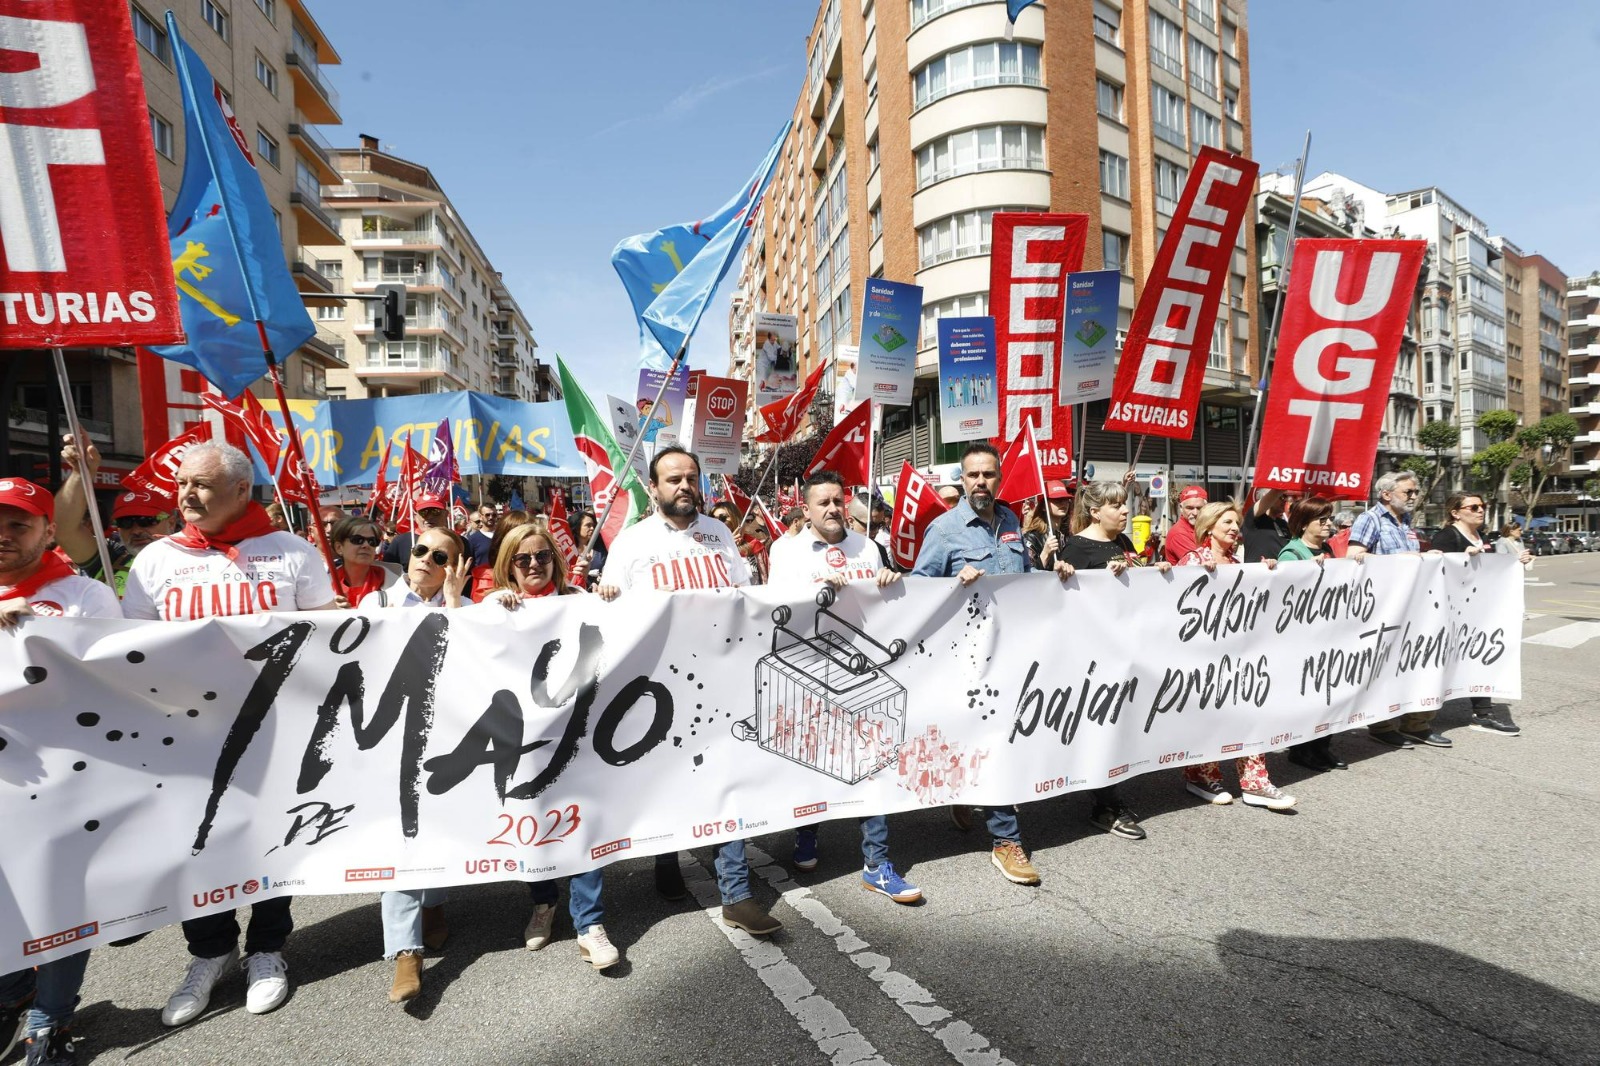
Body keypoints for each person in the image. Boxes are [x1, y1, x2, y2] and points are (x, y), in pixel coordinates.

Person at [121, 442, 337, 1026]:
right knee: (197, 844)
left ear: (242, 491)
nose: (186, 495)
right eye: (182, 484)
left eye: (201, 485)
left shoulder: (293, 554)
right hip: (186, 736)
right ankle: (210, 953)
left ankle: (267, 949)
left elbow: (333, 642)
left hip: (276, 733)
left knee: (269, 838)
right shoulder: (156, 560)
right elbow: (129, 651)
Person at [596, 446, 782, 935]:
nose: (684, 486)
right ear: (652, 488)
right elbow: (609, 607)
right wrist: (608, 597)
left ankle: (737, 895)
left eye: (691, 478)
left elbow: (745, 596)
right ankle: (665, 859)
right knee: (664, 779)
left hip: (719, 681)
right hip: (657, 687)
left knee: (726, 782)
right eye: (673, 479)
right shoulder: (632, 543)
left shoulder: (719, 533)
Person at [913, 442, 1075, 886]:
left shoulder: (1010, 520)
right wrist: (954, 584)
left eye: (988, 474)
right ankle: (1006, 841)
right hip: (966, 657)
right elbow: (916, 591)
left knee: (1000, 739)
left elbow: (1020, 579)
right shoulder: (944, 530)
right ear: (961, 480)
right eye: (972, 476)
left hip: (1011, 653)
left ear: (998, 477)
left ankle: (968, 793)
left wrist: (1053, 575)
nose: (980, 482)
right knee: (992, 740)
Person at [0, 479, 123, 1065]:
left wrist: (39, 637)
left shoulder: (84, 597)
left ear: (50, 530)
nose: (3, 536)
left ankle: (49, 1020)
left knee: (61, 900)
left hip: (61, 782)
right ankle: (11, 991)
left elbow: (116, 681)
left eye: (17, 524)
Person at [767, 471, 918, 904]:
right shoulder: (787, 551)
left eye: (838, 500)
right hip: (809, 671)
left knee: (872, 763)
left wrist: (888, 581)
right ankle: (807, 834)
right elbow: (775, 608)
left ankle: (877, 864)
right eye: (823, 503)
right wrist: (812, 590)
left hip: (862, 670)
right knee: (813, 758)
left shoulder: (868, 547)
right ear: (806, 509)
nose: (833, 508)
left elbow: (882, 604)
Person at [478, 525, 619, 968]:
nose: (534, 565)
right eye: (523, 560)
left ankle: (589, 923)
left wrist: (611, 597)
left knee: (581, 824)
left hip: (576, 732)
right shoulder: (496, 608)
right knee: (533, 822)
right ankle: (543, 902)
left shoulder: (578, 597)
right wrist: (489, 607)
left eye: (542, 556)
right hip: (522, 739)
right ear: (508, 567)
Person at [358, 526, 471, 1002]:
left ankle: (436, 905)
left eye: (440, 555)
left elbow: (470, 663)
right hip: (387, 742)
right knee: (399, 838)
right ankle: (406, 951)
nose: (426, 559)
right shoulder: (375, 606)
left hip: (444, 738)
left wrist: (451, 604)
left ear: (455, 567)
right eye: (420, 549)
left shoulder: (464, 613)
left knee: (438, 826)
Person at [1056, 480, 1171, 840]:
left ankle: (1105, 790)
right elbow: (1065, 602)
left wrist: (1157, 572)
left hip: (1124, 650)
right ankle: (1105, 805)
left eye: (1125, 505)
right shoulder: (1075, 547)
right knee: (1101, 725)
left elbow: (1133, 590)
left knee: (1119, 724)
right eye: (1117, 505)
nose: (1125, 511)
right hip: (1093, 655)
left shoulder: (1122, 542)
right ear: (1095, 511)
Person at [1177, 499, 1296, 810]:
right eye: (1226, 522)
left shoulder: (1240, 564)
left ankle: (1255, 780)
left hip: (1241, 659)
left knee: (1252, 711)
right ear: (1209, 527)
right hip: (1203, 660)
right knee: (1209, 719)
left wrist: (1267, 573)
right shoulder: (1191, 562)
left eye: (1235, 523)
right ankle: (1202, 774)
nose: (1233, 528)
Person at [1347, 471, 1448, 749]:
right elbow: (1353, 556)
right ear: (1386, 494)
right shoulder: (1370, 519)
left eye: (1415, 492)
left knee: (1417, 662)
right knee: (1385, 667)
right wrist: (1397, 559)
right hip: (1384, 608)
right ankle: (1382, 725)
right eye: (1408, 492)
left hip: (1413, 605)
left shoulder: (1405, 521)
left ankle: (1417, 724)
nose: (1414, 496)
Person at [1433, 494, 1527, 736]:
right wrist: (1461, 557)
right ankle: (1417, 714)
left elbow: (1487, 570)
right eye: (1473, 507)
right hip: (1451, 612)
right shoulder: (1446, 536)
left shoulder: (1479, 536)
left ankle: (1483, 713)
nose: (1480, 510)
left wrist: (1516, 562)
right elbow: (1434, 569)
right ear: (1456, 512)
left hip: (1475, 609)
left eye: (1482, 506)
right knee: (1443, 662)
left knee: (1480, 656)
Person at [1277, 497, 1346, 773]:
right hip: (1304, 640)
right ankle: (1302, 750)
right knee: (1309, 695)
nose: (1328, 524)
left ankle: (1322, 747)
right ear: (1304, 523)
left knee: (1328, 694)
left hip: (1328, 635)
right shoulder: (1291, 554)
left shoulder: (1328, 548)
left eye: (1329, 518)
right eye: (1322, 520)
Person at [53, 434, 170, 596]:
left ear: (171, 522)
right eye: (125, 523)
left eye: (146, 520)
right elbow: (63, 529)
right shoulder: (110, 557)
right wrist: (81, 474)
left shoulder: (198, 556)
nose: (136, 530)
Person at [331, 516, 396, 608]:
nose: (366, 545)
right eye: (357, 540)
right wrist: (328, 609)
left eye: (372, 541)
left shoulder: (396, 584)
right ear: (339, 547)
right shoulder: (324, 586)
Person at [382, 493, 449, 565]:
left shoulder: (456, 541)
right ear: (415, 517)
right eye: (423, 512)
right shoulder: (401, 542)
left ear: (446, 514)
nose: (429, 516)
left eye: (435, 511)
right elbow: (387, 572)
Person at [1241, 488, 1292, 562]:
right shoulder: (1253, 519)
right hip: (1258, 571)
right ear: (1265, 496)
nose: (1285, 500)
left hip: (1281, 571)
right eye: (1281, 497)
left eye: (1286, 498)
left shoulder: (1284, 524)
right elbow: (1275, 491)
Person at [1164, 485, 1207, 565]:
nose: (1195, 513)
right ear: (1181, 508)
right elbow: (1199, 562)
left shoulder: (1204, 527)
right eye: (1190, 508)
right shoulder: (1178, 533)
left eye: (1199, 508)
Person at [573, 510, 606, 589]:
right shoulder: (568, 550)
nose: (592, 528)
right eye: (588, 525)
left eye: (593, 525)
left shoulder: (601, 548)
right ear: (577, 528)